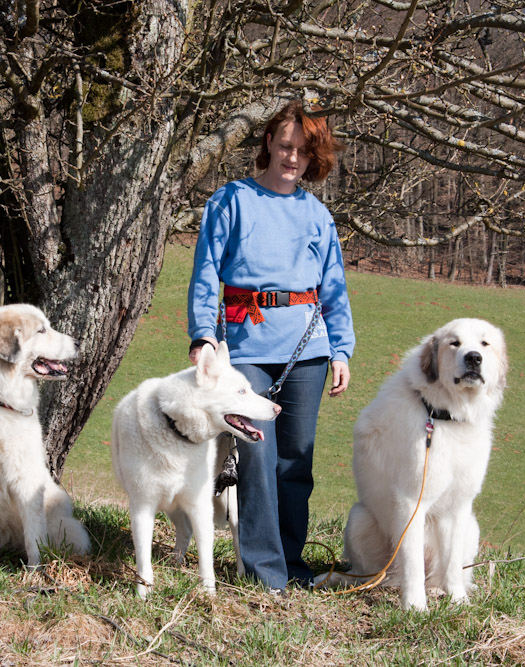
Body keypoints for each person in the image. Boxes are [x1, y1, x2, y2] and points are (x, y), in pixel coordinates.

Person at [186, 99, 355, 593]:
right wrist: (204, 335)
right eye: (285, 145)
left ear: (312, 158)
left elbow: (334, 285)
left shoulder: (317, 214)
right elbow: (206, 274)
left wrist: (341, 349)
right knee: (257, 456)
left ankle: (293, 566)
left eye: (303, 151)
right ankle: (264, 574)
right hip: (245, 345)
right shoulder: (230, 200)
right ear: (268, 144)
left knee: (295, 459)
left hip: (308, 347)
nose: (292, 158)